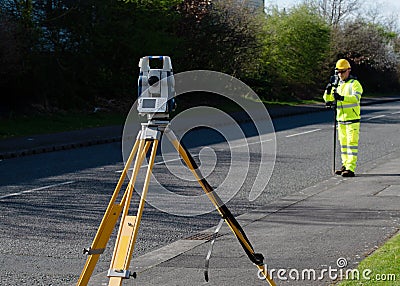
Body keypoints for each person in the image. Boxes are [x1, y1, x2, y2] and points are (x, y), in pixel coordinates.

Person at [323, 59, 363, 177]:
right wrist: (329, 89)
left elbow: (356, 98)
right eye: (338, 72)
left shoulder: (355, 84)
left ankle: (350, 168)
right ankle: (345, 165)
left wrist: (341, 97)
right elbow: (328, 100)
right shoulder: (338, 85)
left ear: (348, 70)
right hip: (341, 120)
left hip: (352, 120)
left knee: (351, 144)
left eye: (343, 71)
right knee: (344, 145)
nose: (340, 74)